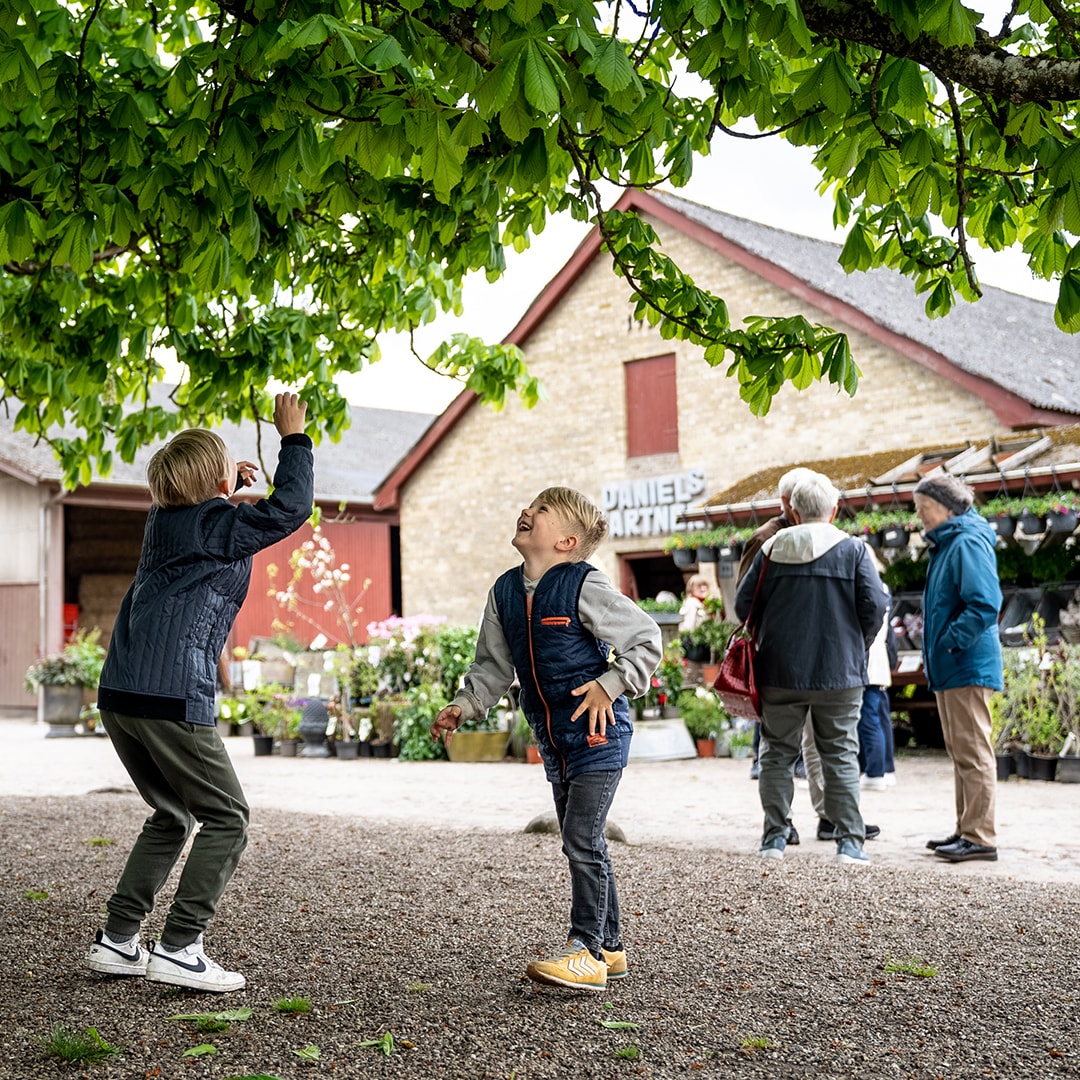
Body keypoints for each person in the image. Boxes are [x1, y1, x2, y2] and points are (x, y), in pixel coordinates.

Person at [84, 393, 314, 992]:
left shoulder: (167, 521)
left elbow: (209, 519)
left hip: (123, 695)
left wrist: (225, 489)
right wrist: (293, 439)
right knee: (227, 817)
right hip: (169, 694)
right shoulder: (215, 526)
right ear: (212, 480)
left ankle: (118, 939)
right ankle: (181, 946)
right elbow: (290, 507)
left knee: (171, 813)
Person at [430, 487, 662, 991]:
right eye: (530, 506)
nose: (527, 512)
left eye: (541, 510)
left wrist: (610, 683)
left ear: (566, 540)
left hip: (600, 735)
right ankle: (612, 948)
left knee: (581, 839)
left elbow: (646, 639)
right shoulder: (505, 592)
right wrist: (465, 705)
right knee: (586, 840)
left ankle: (586, 950)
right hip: (554, 741)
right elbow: (492, 665)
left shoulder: (585, 586)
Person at [736, 472, 887, 865]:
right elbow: (875, 608)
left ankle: (774, 838)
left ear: (794, 511)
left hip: (779, 671)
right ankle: (850, 843)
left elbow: (742, 607)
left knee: (776, 754)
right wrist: (857, 645)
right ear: (834, 509)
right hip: (839, 673)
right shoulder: (853, 550)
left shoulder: (771, 548)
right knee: (839, 753)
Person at [914, 473, 1003, 863]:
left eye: (924, 509)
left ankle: (980, 837)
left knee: (974, 751)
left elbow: (985, 603)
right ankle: (966, 829)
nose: (919, 517)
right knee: (961, 750)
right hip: (951, 665)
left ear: (948, 507)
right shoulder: (949, 543)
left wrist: (949, 640)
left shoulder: (965, 541)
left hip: (966, 663)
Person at [738, 467, 816, 781]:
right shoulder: (766, 538)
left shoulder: (816, 533)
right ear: (786, 501)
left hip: (809, 645)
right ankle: (763, 759)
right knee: (774, 717)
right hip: (775, 644)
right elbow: (745, 598)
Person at [858, 545, 898, 792]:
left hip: (869, 661)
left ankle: (875, 771)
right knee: (878, 716)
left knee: (870, 718)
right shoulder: (883, 588)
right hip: (877, 660)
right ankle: (883, 769)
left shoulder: (871, 589)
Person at [678, 575, 712, 685]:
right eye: (699, 586)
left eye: (705, 586)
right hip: (695, 646)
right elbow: (688, 627)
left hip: (704, 647)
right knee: (694, 677)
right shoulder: (692, 604)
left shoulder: (706, 604)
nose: (703, 589)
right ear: (692, 589)